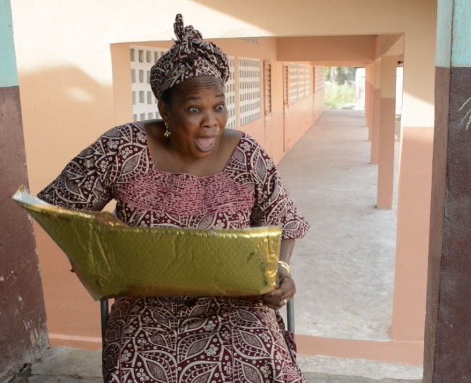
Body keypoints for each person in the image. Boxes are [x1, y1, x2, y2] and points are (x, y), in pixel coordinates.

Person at [38, 14, 309, 383]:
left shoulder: (246, 153)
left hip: (236, 301)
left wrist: (282, 270)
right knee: (139, 369)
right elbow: (58, 209)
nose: (211, 122)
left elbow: (285, 219)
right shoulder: (123, 148)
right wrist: (91, 256)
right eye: (194, 108)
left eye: (219, 106)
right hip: (147, 304)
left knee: (263, 363)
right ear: (165, 110)